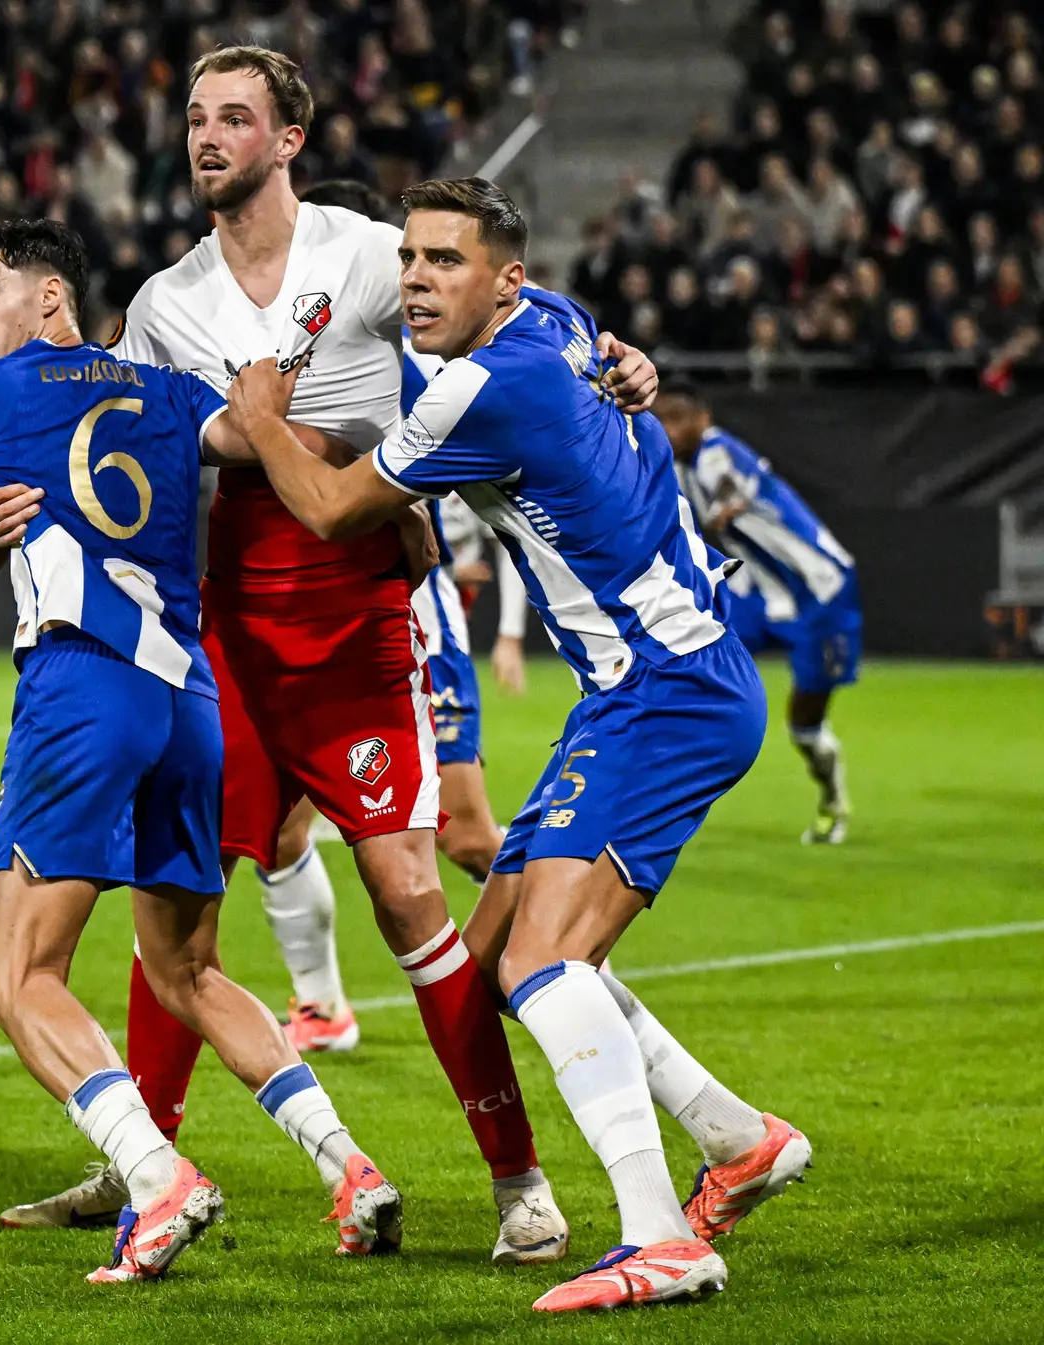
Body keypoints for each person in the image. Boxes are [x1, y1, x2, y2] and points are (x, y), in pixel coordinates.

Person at [0, 47, 588, 1264]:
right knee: (177, 912)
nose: (208, 136)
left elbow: (508, 306)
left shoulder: (367, 252)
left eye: (235, 117)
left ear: (291, 136)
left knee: (409, 894)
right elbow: (137, 453)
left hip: (361, 604)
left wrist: (603, 351)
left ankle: (519, 1178)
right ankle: (142, 1161)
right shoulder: (164, 303)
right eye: (196, 117)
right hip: (224, 626)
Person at [224, 175, 814, 1314]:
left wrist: (258, 418)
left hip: (666, 689)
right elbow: (602, 344)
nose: (416, 281)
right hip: (643, 688)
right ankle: (736, 1141)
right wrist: (632, 364)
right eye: (410, 260)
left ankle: (658, 1236)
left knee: (544, 963)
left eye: (446, 262)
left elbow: (334, 508)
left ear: (506, 281)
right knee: (503, 957)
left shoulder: (479, 390)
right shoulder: (557, 325)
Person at [0, 215, 402, 1284]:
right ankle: (352, 1166)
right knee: (189, 968)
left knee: (18, 980)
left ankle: (156, 1176)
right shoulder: (172, 389)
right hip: (190, 700)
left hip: (81, 683)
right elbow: (264, 433)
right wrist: (310, 368)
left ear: (51, 298)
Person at [656, 384, 860, 844]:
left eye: (673, 418)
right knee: (692, 666)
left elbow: (725, 489)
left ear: (700, 419)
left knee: (805, 724)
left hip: (820, 592)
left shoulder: (717, 450)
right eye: (658, 418)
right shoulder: (677, 465)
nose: (664, 429)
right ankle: (666, 789)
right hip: (756, 595)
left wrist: (724, 505)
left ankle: (832, 800)